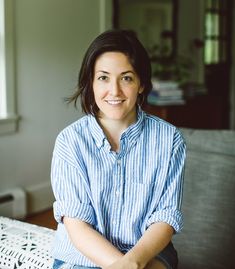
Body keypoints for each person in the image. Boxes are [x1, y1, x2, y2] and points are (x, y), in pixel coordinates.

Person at [51, 29, 186, 269]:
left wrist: (133, 262)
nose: (114, 91)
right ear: (90, 82)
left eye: (126, 78)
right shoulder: (70, 141)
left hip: (148, 254)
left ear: (142, 84)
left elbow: (165, 217)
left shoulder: (169, 139)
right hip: (83, 257)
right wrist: (122, 266)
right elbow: (77, 225)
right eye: (103, 77)